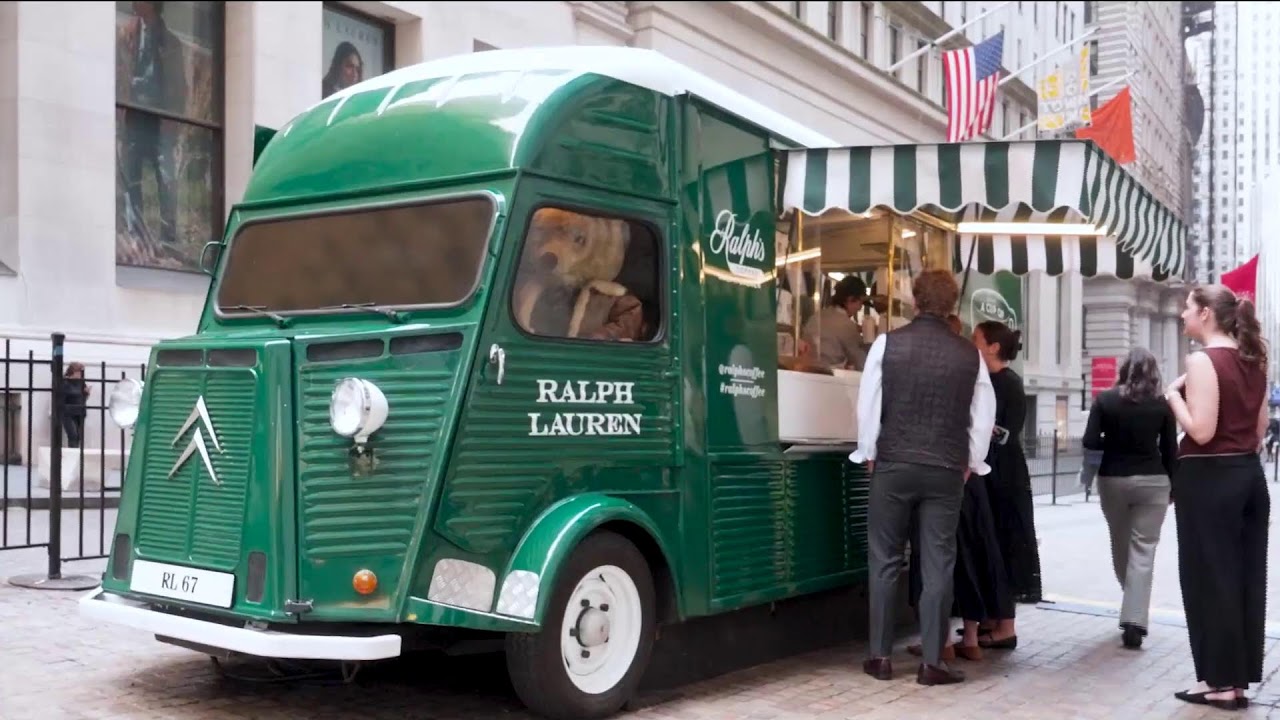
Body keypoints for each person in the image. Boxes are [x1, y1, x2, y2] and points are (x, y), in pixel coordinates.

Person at [852, 269, 996, 686]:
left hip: (894, 463)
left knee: (884, 560)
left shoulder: (886, 344)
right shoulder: (970, 356)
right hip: (947, 469)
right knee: (938, 563)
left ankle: (879, 657)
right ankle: (932, 662)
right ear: (952, 306)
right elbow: (982, 417)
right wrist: (971, 460)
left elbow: (869, 405)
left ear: (915, 300)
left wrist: (870, 451)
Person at [1166, 284, 1269, 711]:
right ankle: (1232, 680)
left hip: (1209, 480)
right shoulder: (1254, 363)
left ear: (1206, 313)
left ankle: (1219, 681)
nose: (1182, 315)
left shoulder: (1203, 360)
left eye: (1188, 308)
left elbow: (1202, 431)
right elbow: (1260, 433)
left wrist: (1173, 396)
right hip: (1247, 477)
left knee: (1208, 579)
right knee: (1243, 579)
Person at [1082, 347, 1178, 649]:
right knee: (1144, 549)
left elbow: (1088, 441)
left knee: (1120, 542)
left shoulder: (1106, 400)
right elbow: (1170, 451)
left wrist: (1111, 439)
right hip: (1154, 481)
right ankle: (1135, 615)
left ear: (1124, 370)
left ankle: (1133, 609)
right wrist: (1174, 486)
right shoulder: (1161, 405)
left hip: (1113, 480)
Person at [971, 321, 1041, 646]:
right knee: (992, 541)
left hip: (1005, 476)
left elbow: (1004, 432)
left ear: (993, 347)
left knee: (1005, 541)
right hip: (996, 472)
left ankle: (1006, 626)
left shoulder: (1005, 383)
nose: (972, 344)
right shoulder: (994, 380)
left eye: (976, 339)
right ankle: (992, 618)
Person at [802, 275, 869, 371]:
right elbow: (861, 362)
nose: (860, 308)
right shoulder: (847, 325)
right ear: (850, 299)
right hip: (828, 377)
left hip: (806, 373)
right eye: (860, 303)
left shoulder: (816, 316)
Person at [61, 362, 90, 449]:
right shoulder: (65, 382)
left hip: (80, 412)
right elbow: (61, 398)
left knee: (78, 436)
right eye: (79, 372)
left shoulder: (81, 382)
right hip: (68, 413)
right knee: (73, 434)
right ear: (73, 372)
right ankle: (72, 454)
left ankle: (76, 455)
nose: (81, 374)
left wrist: (86, 393)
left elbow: (83, 398)